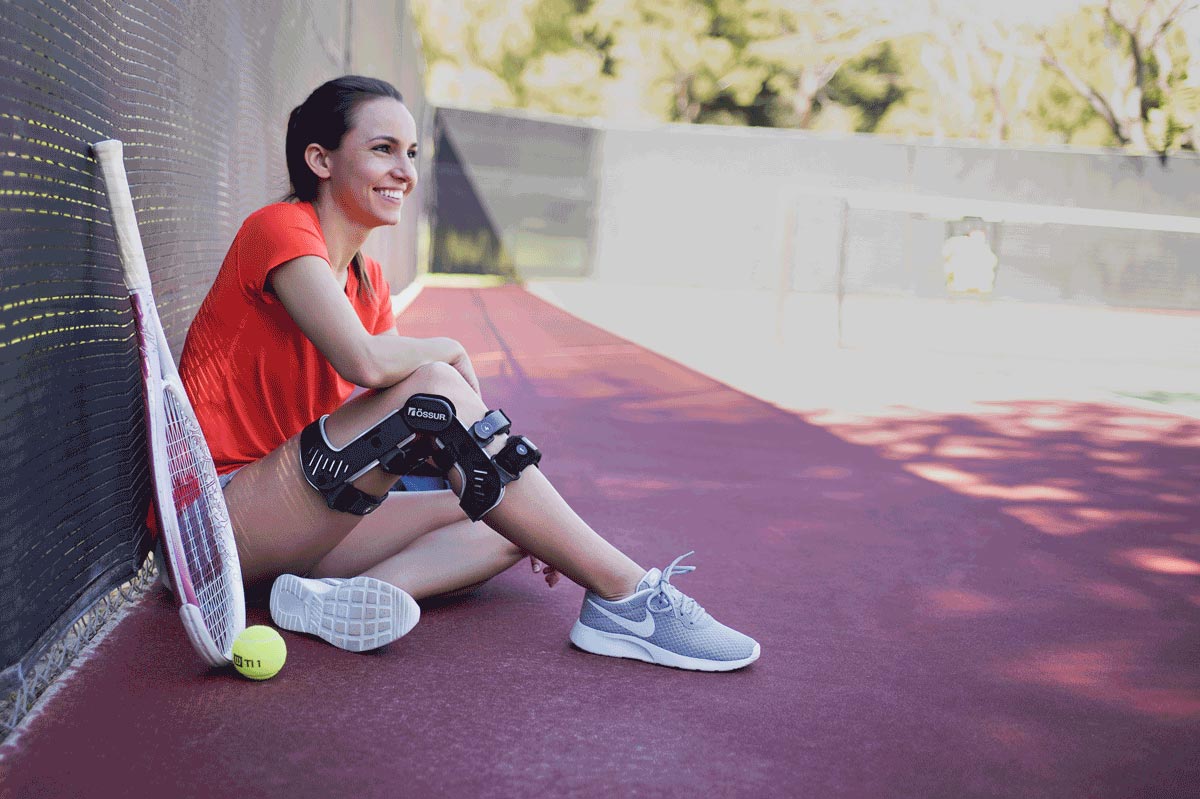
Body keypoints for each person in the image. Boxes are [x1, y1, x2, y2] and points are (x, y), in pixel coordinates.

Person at [178, 75, 759, 671]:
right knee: (433, 392)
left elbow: (400, 425)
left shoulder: (369, 281)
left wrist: (517, 505)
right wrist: (452, 350)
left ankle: (341, 599)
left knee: (514, 520)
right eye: (383, 149)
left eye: (410, 153)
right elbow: (368, 364)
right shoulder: (279, 228)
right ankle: (627, 593)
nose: (404, 170)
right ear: (320, 160)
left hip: (300, 522)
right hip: (215, 521)